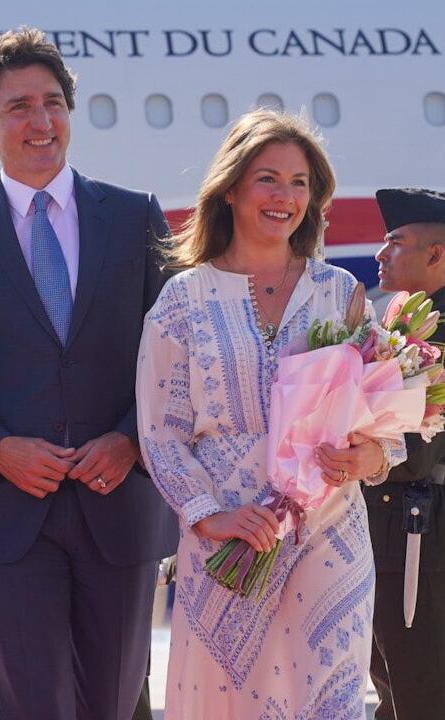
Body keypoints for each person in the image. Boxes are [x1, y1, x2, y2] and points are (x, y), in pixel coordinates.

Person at [0, 27, 177, 719]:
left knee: (112, 707)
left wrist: (129, 440)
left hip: (118, 507)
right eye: (20, 107)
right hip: (10, 514)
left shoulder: (134, 217)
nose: (41, 122)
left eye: (54, 102)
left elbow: (173, 363)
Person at [135, 109, 402, 719]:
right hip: (228, 542)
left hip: (328, 540)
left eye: (300, 182)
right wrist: (211, 517)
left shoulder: (340, 292)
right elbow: (160, 434)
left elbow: (385, 417)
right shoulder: (183, 299)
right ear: (231, 189)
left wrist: (369, 456)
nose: (285, 196)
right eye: (268, 179)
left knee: (329, 705)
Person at [365, 188, 445, 720]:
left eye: (395, 242)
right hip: (385, 533)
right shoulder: (401, 325)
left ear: (435, 255)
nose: (380, 254)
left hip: (418, 536)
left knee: (425, 699)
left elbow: (414, 453)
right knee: (394, 692)